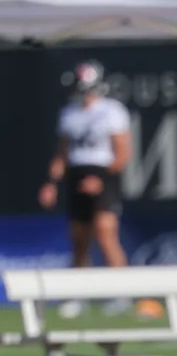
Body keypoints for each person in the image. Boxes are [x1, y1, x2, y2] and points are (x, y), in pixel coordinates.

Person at [38, 60, 133, 319]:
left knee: (105, 233)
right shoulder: (69, 113)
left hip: (103, 175)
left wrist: (101, 180)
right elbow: (62, 154)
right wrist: (51, 184)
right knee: (79, 239)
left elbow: (123, 153)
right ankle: (77, 295)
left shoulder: (112, 111)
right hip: (77, 175)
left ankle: (122, 293)